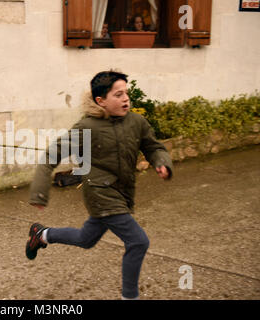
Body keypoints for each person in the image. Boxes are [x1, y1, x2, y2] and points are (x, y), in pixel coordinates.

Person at [25, 70, 173, 300]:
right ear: (100, 101)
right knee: (138, 242)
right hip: (100, 193)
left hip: (123, 192)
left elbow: (153, 147)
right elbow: (50, 156)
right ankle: (130, 297)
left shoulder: (136, 122)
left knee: (86, 239)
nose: (126, 99)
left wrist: (161, 163)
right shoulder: (87, 127)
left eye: (126, 93)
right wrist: (39, 193)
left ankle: (42, 235)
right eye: (118, 94)